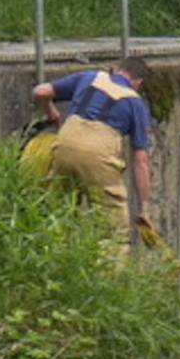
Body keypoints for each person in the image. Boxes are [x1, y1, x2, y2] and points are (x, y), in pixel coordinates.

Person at [32, 56, 154, 238]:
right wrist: (144, 208)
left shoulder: (89, 77)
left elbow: (41, 92)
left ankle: (51, 260)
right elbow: (141, 161)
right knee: (113, 231)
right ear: (138, 83)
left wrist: (51, 113)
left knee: (58, 215)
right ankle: (112, 264)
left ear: (115, 69)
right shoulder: (136, 103)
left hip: (64, 146)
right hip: (98, 156)